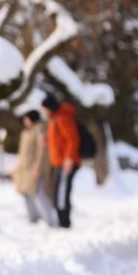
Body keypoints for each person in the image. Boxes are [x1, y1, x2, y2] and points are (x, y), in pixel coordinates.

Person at [40, 93, 81, 229]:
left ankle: (64, 223)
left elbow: (72, 139)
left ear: (49, 107)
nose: (43, 112)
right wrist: (46, 140)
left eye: (44, 109)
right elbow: (58, 140)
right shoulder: (54, 119)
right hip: (59, 162)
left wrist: (69, 159)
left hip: (66, 163)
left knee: (61, 193)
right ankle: (61, 221)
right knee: (58, 191)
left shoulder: (62, 118)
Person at [12, 110, 55, 226]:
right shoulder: (26, 133)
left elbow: (42, 151)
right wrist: (17, 170)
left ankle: (49, 221)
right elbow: (21, 154)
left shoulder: (40, 131)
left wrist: (38, 168)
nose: (25, 122)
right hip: (24, 169)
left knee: (38, 193)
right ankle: (32, 220)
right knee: (26, 193)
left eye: (27, 119)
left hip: (33, 168)